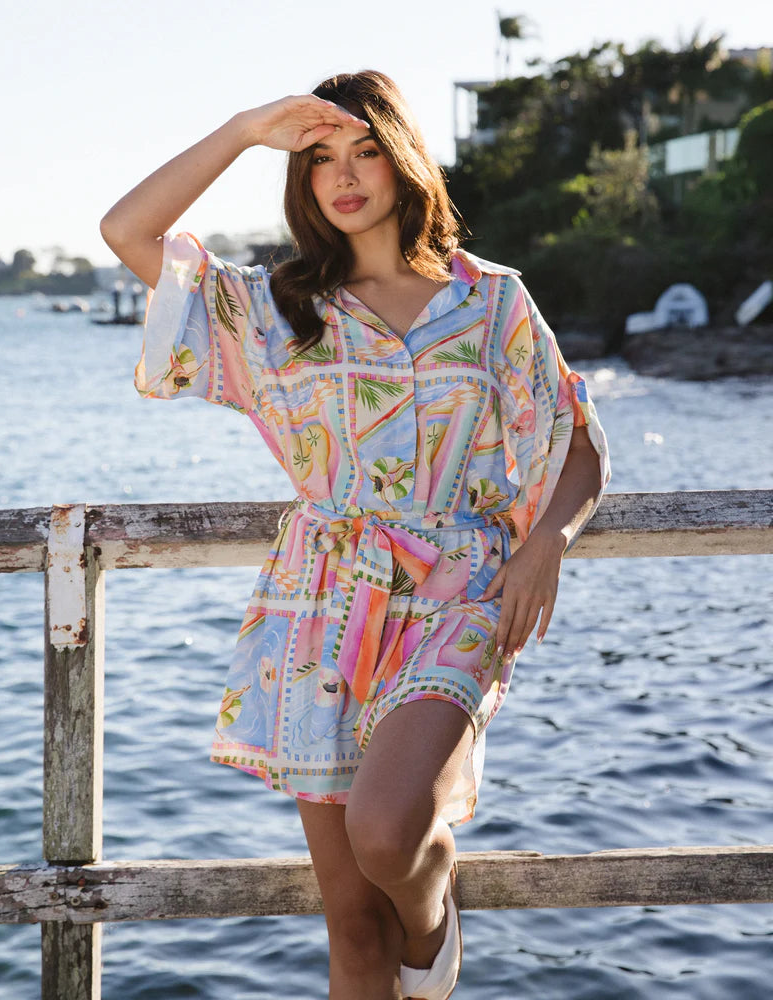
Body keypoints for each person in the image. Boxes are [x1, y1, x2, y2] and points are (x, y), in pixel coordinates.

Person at [101, 69, 609, 1000]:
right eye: (319, 157)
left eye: (365, 150)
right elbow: (127, 233)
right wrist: (246, 127)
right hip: (323, 607)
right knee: (349, 927)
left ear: (403, 157)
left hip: (460, 595)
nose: (343, 176)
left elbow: (577, 441)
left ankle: (433, 914)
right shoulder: (277, 309)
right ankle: (407, 936)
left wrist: (550, 543)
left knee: (388, 833)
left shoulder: (491, 304)